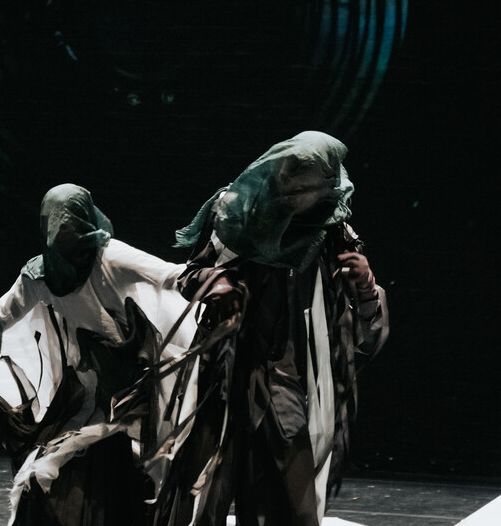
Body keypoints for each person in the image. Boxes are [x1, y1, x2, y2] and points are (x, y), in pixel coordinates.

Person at [152, 131, 389, 526]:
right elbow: (190, 274)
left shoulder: (331, 231)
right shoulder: (234, 210)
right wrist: (216, 282)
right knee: (205, 486)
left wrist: (365, 287)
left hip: (285, 375)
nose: (293, 187)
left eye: (305, 181)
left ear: (326, 187)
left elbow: (362, 322)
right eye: (289, 175)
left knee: (291, 496)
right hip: (224, 370)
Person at [0, 183, 199, 526]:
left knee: (160, 463)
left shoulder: (109, 257)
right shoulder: (40, 275)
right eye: (54, 226)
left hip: (140, 380)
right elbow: (0, 317)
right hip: (90, 385)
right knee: (76, 462)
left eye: (68, 226)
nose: (61, 236)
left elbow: (170, 275)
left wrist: (217, 277)